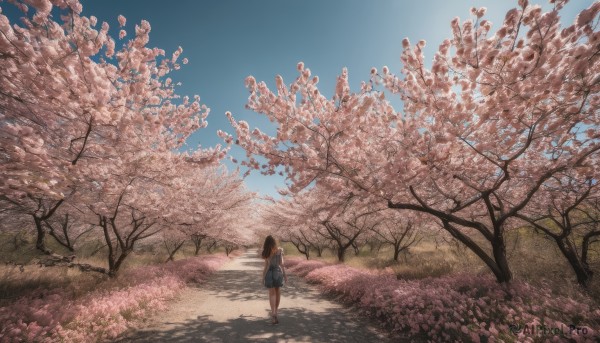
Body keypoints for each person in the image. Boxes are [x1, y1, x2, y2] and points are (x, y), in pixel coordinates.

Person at [261, 235, 287, 324]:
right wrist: (285, 275)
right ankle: (276, 311)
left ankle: (273, 313)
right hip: (278, 273)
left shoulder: (265, 252)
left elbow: (266, 266)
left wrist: (262, 277)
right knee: (277, 292)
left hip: (269, 273)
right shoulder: (279, 250)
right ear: (274, 242)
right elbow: (281, 264)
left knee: (271, 294)